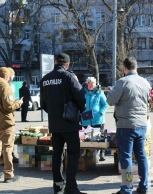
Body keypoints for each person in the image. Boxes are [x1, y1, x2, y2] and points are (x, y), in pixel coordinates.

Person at [40, 53, 86, 194]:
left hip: (54, 124)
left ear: (55, 62)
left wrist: (54, 114)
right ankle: (71, 188)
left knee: (57, 155)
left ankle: (58, 187)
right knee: (73, 154)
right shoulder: (69, 76)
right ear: (67, 64)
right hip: (69, 123)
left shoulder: (45, 79)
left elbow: (43, 104)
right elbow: (80, 97)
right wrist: (80, 109)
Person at [107, 57, 151, 194]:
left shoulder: (123, 82)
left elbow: (110, 100)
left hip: (126, 125)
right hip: (142, 124)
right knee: (141, 156)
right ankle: (144, 186)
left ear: (125, 68)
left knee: (126, 157)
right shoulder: (145, 82)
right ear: (135, 67)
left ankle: (127, 188)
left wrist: (112, 90)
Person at [81, 77, 109, 162]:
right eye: (89, 84)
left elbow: (105, 105)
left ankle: (101, 153)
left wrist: (100, 113)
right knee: (88, 138)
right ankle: (90, 156)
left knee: (99, 137)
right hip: (86, 120)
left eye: (93, 84)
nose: (91, 85)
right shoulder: (82, 92)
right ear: (87, 84)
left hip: (98, 120)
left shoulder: (99, 92)